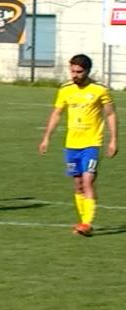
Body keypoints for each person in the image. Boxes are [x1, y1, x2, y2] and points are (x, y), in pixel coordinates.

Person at [38, 54, 118, 236]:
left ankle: (87, 223)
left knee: (88, 180)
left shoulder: (100, 90)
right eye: (72, 71)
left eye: (79, 72)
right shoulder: (65, 89)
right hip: (72, 144)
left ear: (88, 71)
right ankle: (83, 221)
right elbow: (57, 113)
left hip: (92, 143)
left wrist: (113, 139)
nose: (74, 75)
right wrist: (46, 138)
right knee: (78, 184)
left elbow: (111, 114)